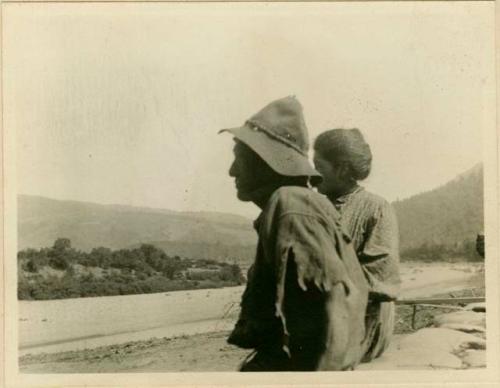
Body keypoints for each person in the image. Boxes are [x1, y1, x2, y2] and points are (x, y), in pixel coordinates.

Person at [220, 97, 369, 371]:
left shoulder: (291, 205)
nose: (231, 171)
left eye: (239, 159)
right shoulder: (292, 203)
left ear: (264, 161)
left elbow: (331, 309)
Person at [313, 128, 401, 362]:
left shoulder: (376, 208)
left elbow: (380, 282)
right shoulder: (316, 205)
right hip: (327, 316)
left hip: (364, 322)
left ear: (341, 169)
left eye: (318, 167)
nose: (312, 174)